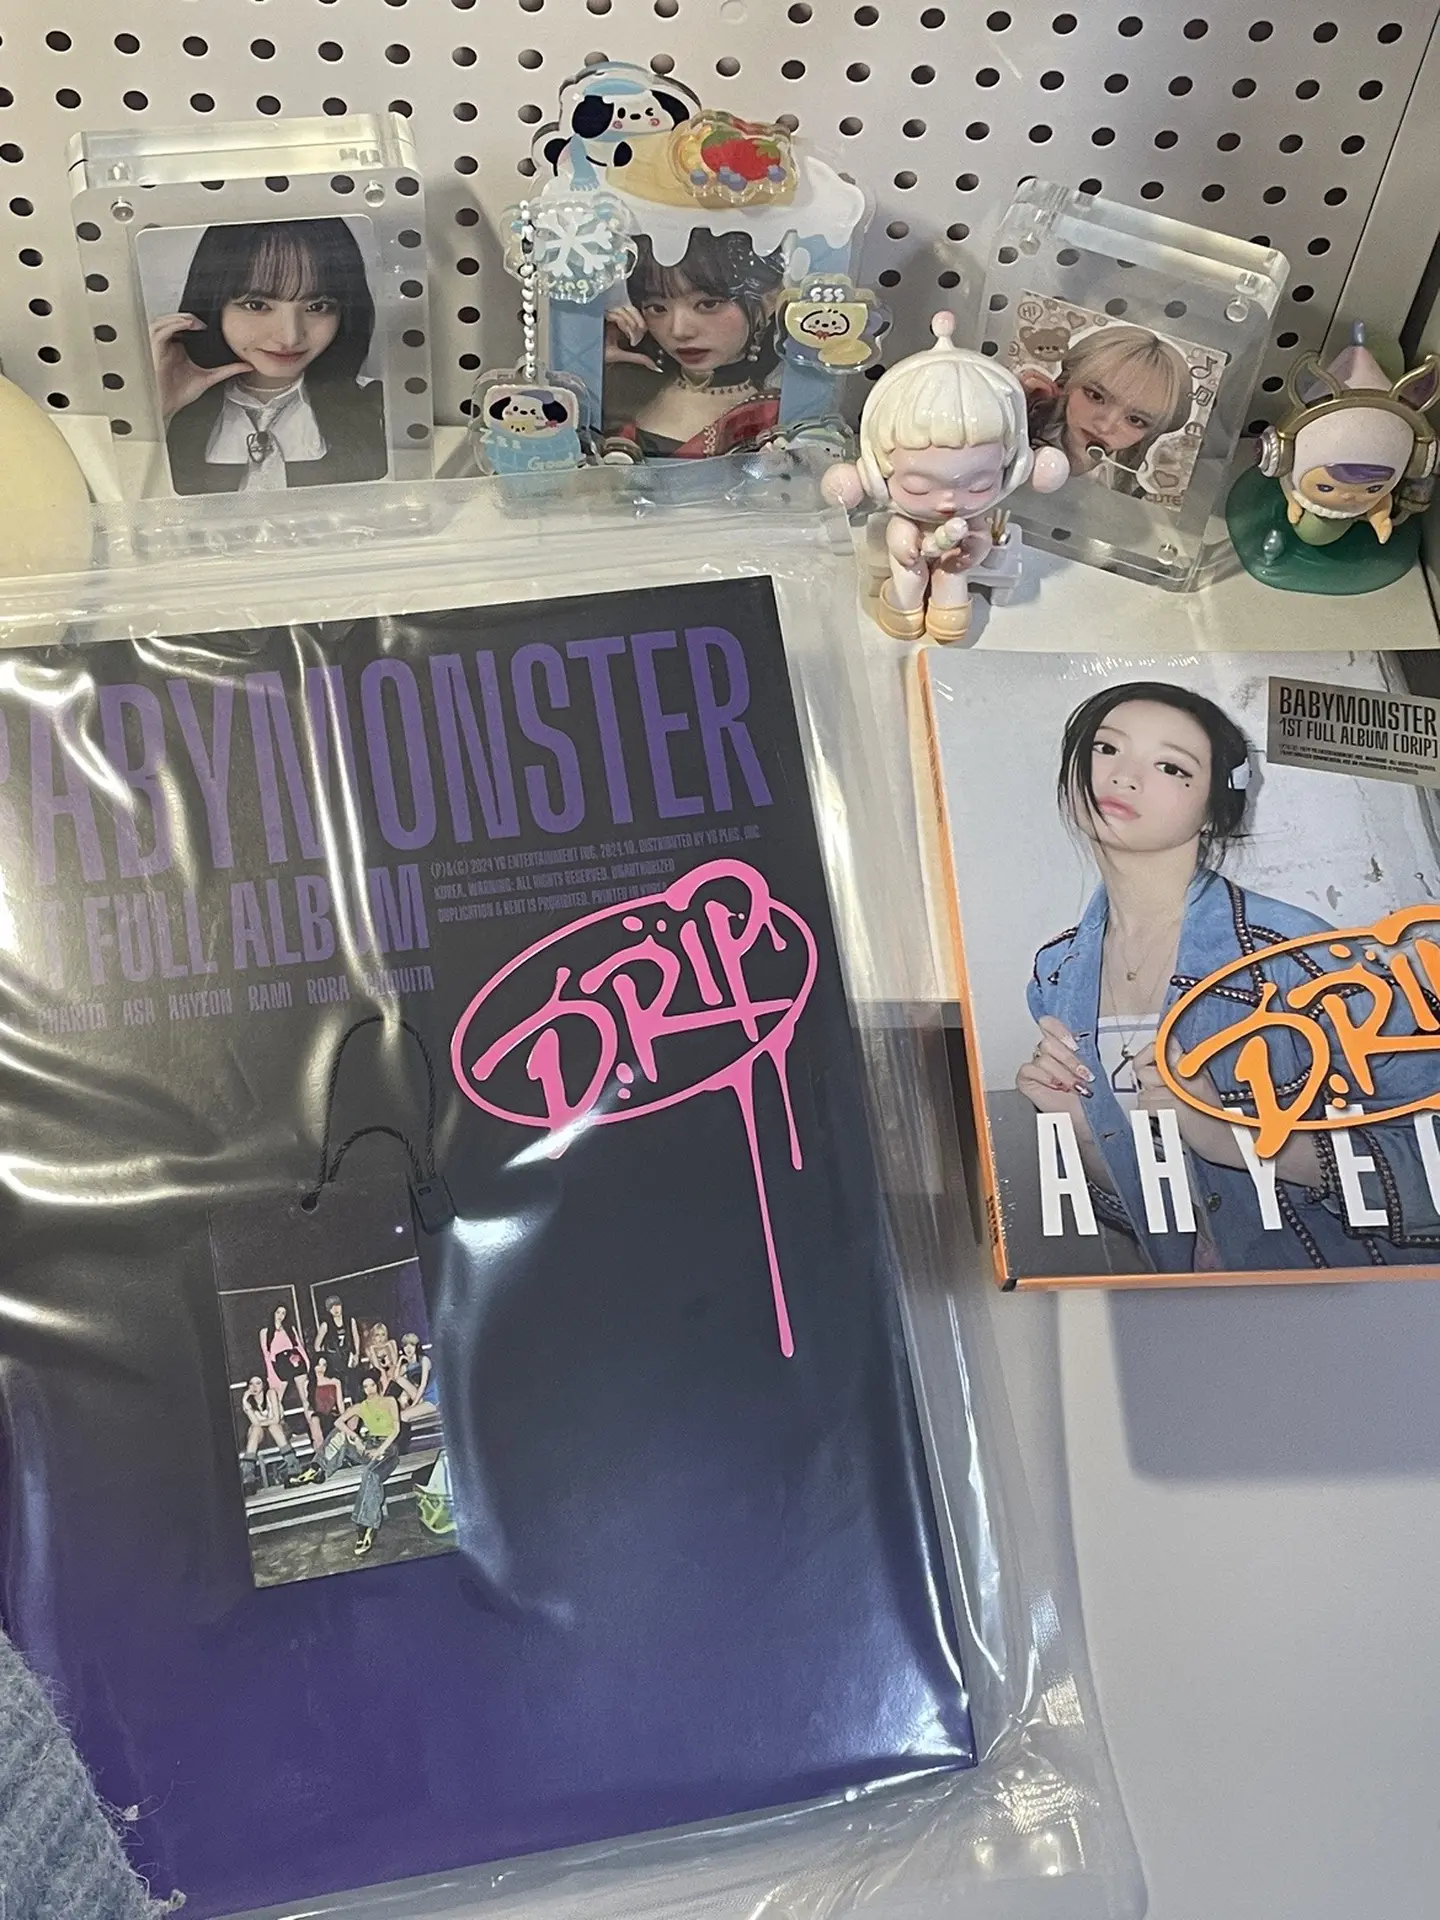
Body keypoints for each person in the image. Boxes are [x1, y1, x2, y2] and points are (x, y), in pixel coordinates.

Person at [1016, 681, 1440, 1273]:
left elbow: (1429, 1162)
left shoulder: (1296, 954)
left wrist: (1236, 1139)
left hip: (1339, 1296)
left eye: (1170, 766)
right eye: (1105, 748)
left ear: (1215, 810)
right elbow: (1166, 1210)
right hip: (1202, 1306)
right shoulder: (1056, 972)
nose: (1124, 777)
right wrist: (1083, 1135)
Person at [821, 311, 1067, 642]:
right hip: (913, 554)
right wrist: (905, 546)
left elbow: (980, 538)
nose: (949, 501)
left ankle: (947, 603)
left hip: (953, 558)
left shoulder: (971, 517)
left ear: (1013, 468)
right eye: (918, 486)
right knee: (909, 577)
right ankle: (902, 604)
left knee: (951, 577)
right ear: (877, 473)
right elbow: (899, 534)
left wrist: (973, 551)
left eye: (979, 485)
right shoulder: (902, 510)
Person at [150, 217, 387, 496]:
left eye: (317, 306)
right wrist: (155, 409)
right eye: (257, 305)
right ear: (213, 303)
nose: (290, 337)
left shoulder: (380, 406)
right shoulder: (176, 409)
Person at [603, 229, 785, 458]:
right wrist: (596, 362)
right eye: (657, 308)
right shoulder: (629, 390)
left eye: (708, 304)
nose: (679, 331)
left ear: (769, 301)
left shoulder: (774, 411)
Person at [1021, 324, 1192, 498]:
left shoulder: (1130, 491)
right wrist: (1012, 409)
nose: (1105, 426)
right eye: (1095, 396)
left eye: (1135, 420)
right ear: (1068, 382)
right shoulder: (1028, 425)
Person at [293, 1373, 401, 1558]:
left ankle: (365, 1527)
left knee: (371, 1475)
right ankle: (318, 1468)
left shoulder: (389, 1401)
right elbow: (338, 1422)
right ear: (362, 1390)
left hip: (388, 1449)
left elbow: (396, 1429)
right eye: (366, 1387)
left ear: (377, 1385)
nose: (370, 1389)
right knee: (340, 1434)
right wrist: (356, 1437)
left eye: (372, 1385)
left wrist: (379, 1450)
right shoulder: (361, 1406)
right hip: (368, 1445)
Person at [259, 1303, 323, 1453]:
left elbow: (299, 1347)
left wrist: (307, 1365)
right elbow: (266, 1355)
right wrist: (271, 1374)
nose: (280, 1316)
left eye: (283, 1313)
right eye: (278, 1312)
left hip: (295, 1361)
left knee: (307, 1399)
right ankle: (280, 1439)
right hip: (279, 1365)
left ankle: (317, 1438)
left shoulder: (290, 1329)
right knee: (276, 1402)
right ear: (273, 1313)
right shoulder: (265, 1332)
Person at [239, 1375, 303, 1491]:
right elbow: (255, 1423)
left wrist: (262, 1422)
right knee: (255, 1430)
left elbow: (276, 1419)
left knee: (273, 1427)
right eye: (251, 1384)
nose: (254, 1387)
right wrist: (244, 1400)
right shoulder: (248, 1402)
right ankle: (248, 1478)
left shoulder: (271, 1393)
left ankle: (294, 1468)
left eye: (258, 1383)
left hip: (280, 1430)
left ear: (264, 1384)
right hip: (262, 1436)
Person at [313, 1293, 360, 1402]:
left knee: (355, 1387)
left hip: (348, 1357)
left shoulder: (350, 1320)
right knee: (339, 1391)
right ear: (329, 1310)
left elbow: (356, 1337)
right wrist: (325, 1360)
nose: (335, 1309)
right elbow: (317, 1346)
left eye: (337, 1305)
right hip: (334, 1360)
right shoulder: (325, 1324)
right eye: (332, 1307)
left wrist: (357, 1354)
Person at [395, 1331, 438, 1424]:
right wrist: (400, 1360)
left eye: (412, 1345)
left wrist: (413, 1405)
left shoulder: (424, 1360)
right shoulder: (406, 1366)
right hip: (420, 1397)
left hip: (432, 1399)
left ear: (416, 1346)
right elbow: (396, 1378)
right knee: (400, 1379)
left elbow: (423, 1385)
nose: (408, 1348)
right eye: (405, 1345)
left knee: (403, 1415)